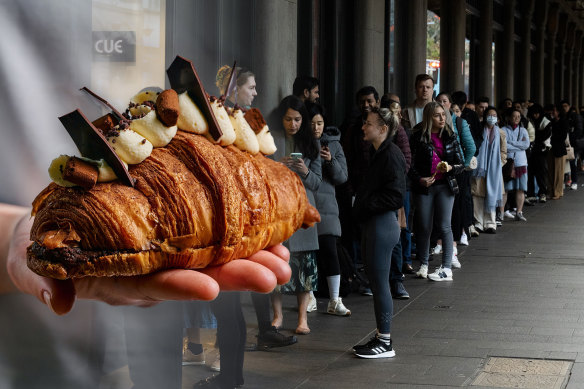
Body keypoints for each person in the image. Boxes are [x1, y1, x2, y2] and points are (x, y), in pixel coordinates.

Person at [352, 106, 406, 358]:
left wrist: (364, 205)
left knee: (380, 284)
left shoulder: (390, 155)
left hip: (382, 224)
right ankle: (381, 336)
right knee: (377, 282)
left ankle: (385, 341)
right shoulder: (380, 153)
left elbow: (395, 196)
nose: (364, 127)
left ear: (383, 129)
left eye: (369, 124)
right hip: (377, 223)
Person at [271, 95, 322, 335]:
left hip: (303, 209)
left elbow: (318, 182)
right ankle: (277, 316)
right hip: (278, 208)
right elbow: (260, 172)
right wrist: (276, 167)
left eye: (298, 119)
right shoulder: (271, 140)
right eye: (289, 119)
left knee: (304, 265)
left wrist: (305, 170)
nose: (293, 124)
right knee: (277, 261)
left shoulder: (312, 144)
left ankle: (303, 319)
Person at [409, 102, 464, 282]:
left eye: (443, 114)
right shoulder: (418, 136)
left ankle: (446, 267)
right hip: (426, 186)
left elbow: (460, 163)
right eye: (437, 115)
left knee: (444, 226)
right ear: (428, 118)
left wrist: (450, 167)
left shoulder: (450, 135)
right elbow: (410, 164)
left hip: (445, 186)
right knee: (424, 226)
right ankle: (424, 264)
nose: (442, 118)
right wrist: (420, 179)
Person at [306, 102, 351, 315]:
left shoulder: (333, 145)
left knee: (330, 251)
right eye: (313, 123)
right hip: (306, 203)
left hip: (327, 206)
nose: (317, 128)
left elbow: (342, 177)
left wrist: (330, 161)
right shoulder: (301, 144)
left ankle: (335, 298)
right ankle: (309, 297)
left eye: (320, 123)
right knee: (308, 254)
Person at [471, 106, 505, 234]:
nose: (492, 118)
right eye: (489, 115)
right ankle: (479, 222)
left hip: (494, 171)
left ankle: (491, 223)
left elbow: (503, 151)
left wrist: (498, 164)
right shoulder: (479, 130)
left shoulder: (501, 133)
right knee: (478, 196)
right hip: (479, 169)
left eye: (494, 115)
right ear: (485, 117)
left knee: (492, 195)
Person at [501, 108, 530, 222]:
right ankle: (501, 213)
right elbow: (504, 146)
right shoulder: (503, 130)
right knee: (505, 190)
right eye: (514, 116)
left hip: (521, 163)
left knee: (521, 189)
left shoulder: (523, 130)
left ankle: (519, 211)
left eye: (519, 116)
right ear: (509, 117)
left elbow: (526, 145)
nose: (517, 118)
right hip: (508, 163)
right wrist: (518, 145)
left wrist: (511, 143)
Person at [526, 103, 552, 203]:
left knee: (541, 172)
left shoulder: (546, 122)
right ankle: (531, 194)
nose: (535, 115)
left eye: (537, 113)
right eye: (533, 114)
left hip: (541, 151)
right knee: (530, 172)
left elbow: (544, 137)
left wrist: (534, 139)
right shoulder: (530, 121)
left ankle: (542, 193)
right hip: (531, 151)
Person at [548, 104, 570, 200]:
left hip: (559, 149)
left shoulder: (564, 122)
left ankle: (558, 191)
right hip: (551, 149)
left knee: (559, 172)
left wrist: (552, 139)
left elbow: (563, 136)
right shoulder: (551, 121)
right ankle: (551, 191)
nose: (553, 112)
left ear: (559, 112)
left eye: (555, 110)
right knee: (551, 171)